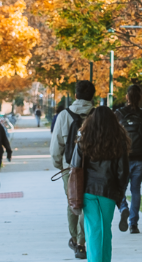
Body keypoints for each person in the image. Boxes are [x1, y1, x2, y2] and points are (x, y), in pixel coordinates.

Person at [73, 106, 130, 262]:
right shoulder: (119, 140)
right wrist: (120, 193)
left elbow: (75, 165)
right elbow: (123, 171)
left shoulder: (83, 138)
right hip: (109, 192)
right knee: (105, 230)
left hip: (87, 191)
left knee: (93, 231)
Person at [49, 81, 97, 259]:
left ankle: (76, 241)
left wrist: (59, 166)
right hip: (93, 168)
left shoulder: (63, 115)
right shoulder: (96, 115)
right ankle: (83, 242)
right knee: (89, 205)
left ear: (75, 95)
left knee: (73, 202)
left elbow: (56, 147)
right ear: (92, 97)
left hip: (70, 168)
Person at [112, 85, 142, 234]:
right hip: (140, 158)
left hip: (122, 158)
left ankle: (123, 207)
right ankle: (133, 224)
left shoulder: (118, 114)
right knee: (135, 190)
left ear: (127, 97)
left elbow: (113, 138)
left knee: (120, 188)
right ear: (140, 98)